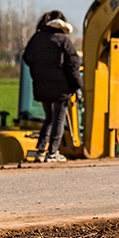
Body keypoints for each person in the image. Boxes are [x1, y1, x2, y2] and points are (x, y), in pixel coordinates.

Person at [22, 10, 82, 162]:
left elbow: (27, 58)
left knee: (48, 118)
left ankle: (40, 150)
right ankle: (52, 152)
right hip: (61, 88)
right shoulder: (63, 40)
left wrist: (41, 72)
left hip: (42, 87)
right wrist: (77, 87)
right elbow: (73, 65)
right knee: (59, 118)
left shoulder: (36, 38)